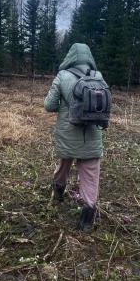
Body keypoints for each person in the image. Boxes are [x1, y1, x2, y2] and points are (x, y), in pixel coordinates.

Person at [44, 43, 106, 232]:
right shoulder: (98, 76)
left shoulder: (62, 76)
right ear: (89, 57)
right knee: (90, 175)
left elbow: (49, 105)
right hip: (92, 135)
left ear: (70, 57)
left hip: (68, 134)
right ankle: (87, 216)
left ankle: (59, 191)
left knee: (64, 163)